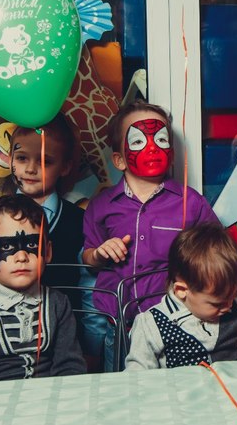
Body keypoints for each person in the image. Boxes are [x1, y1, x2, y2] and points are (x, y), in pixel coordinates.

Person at [0, 114, 105, 369]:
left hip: (66, 345)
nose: (31, 169)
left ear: (65, 167)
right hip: (4, 347)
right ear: (10, 159)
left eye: (45, 161)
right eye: (22, 158)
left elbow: (90, 287)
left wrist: (93, 344)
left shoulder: (80, 221)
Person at [82, 100, 218, 369]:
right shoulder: (101, 206)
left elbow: (216, 253)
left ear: (172, 154)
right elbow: (88, 257)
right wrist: (99, 253)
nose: (153, 148)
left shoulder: (191, 203)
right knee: (121, 388)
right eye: (138, 141)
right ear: (119, 160)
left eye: (161, 139)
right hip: (119, 327)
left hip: (176, 325)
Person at [0, 194, 86, 384]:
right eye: (6, 246)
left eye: (31, 244)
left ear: (48, 252)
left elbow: (70, 369)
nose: (21, 256)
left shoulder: (58, 304)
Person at [125, 223, 237, 369]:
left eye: (233, 297)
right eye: (218, 304)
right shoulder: (151, 324)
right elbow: (138, 376)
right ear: (182, 290)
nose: (229, 306)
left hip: (234, 382)